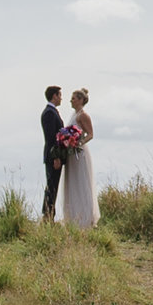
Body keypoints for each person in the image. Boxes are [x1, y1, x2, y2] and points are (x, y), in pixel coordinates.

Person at [61, 87, 99, 229]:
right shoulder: (73, 115)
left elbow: (90, 134)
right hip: (71, 153)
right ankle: (73, 217)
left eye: (74, 98)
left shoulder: (83, 116)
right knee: (72, 182)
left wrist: (78, 142)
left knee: (82, 182)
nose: (71, 100)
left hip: (79, 152)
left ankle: (86, 218)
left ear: (81, 100)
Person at [39, 85, 66, 222]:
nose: (61, 98)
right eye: (60, 95)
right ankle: (48, 214)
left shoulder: (53, 111)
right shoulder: (49, 113)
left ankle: (49, 213)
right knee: (52, 185)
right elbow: (51, 138)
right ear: (54, 96)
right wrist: (55, 156)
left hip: (55, 155)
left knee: (53, 184)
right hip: (52, 156)